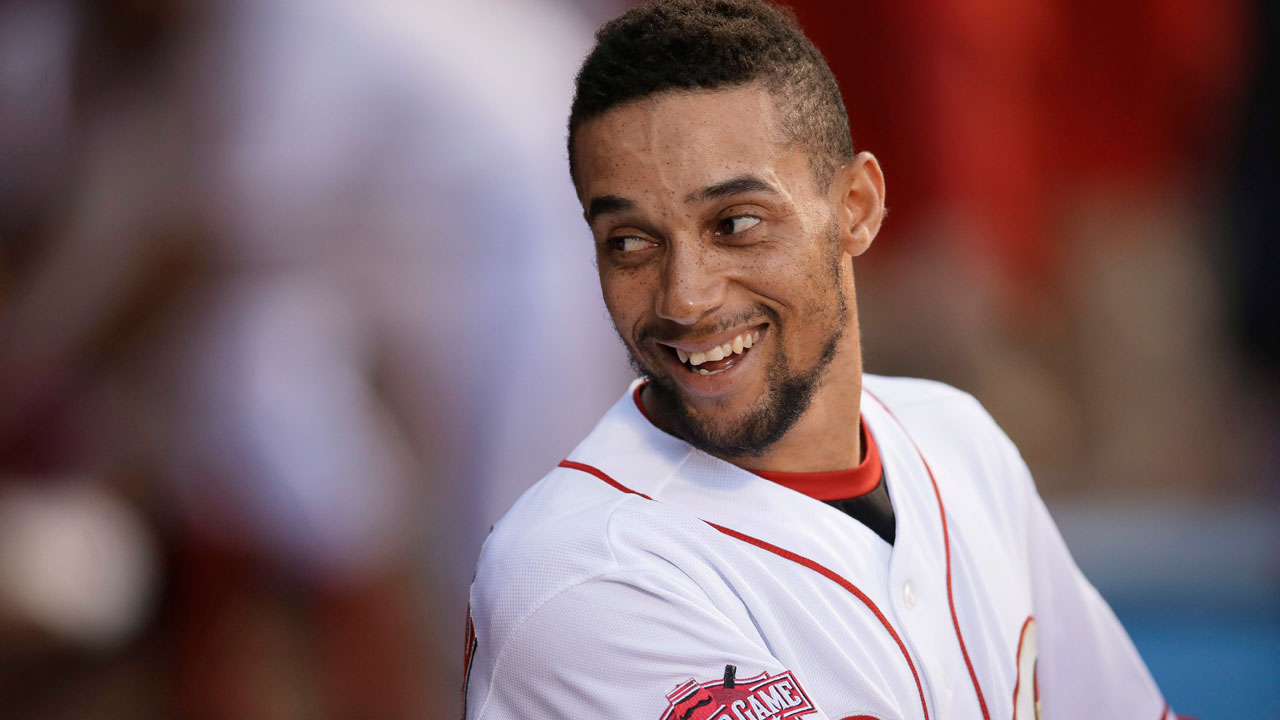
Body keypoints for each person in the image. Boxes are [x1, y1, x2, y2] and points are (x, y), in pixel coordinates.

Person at [464, 2, 1180, 719]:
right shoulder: (580, 573)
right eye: (629, 242)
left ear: (857, 207)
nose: (685, 298)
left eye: (735, 223)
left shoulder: (959, 440)